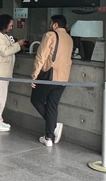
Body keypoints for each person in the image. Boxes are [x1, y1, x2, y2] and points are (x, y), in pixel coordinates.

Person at [30, 15, 73, 147]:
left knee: (36, 100)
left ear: (55, 25)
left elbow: (41, 56)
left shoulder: (50, 35)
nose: (50, 25)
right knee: (52, 105)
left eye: (51, 23)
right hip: (63, 78)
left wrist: (34, 75)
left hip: (49, 77)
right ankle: (49, 137)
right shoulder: (69, 38)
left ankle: (53, 126)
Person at [0, 15, 26, 132]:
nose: (11, 27)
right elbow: (5, 51)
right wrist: (19, 44)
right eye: (10, 25)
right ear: (4, 24)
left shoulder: (1, 35)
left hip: (3, 72)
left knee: (1, 97)